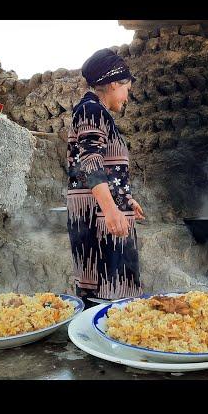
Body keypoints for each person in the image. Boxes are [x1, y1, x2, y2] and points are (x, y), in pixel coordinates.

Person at [66, 48, 145, 308]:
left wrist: (125, 199)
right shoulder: (92, 110)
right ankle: (106, 344)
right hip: (99, 219)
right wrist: (112, 210)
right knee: (109, 296)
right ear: (113, 84)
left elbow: (106, 166)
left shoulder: (95, 112)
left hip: (102, 213)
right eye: (127, 90)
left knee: (111, 293)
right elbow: (90, 162)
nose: (127, 97)